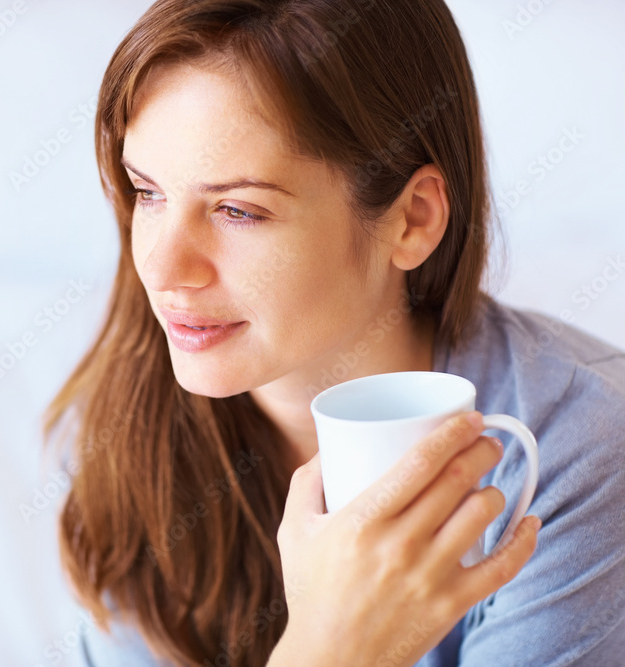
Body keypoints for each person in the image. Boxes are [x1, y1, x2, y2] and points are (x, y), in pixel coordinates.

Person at [41, 0, 625, 665]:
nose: (163, 267)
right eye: (148, 192)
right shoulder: (132, 433)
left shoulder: (577, 453)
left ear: (412, 219)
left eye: (237, 209)